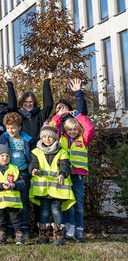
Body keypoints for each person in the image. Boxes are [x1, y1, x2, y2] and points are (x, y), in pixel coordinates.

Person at [52, 101, 94, 243]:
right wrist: (59, 115)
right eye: (69, 129)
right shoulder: (60, 139)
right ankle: (63, 230)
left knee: (78, 204)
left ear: (79, 129)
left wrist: (77, 115)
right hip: (64, 175)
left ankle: (79, 230)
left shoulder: (84, 139)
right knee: (64, 203)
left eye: (75, 129)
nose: (72, 132)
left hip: (78, 176)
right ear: (65, 130)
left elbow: (90, 127)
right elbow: (52, 127)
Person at [29, 124, 74, 246]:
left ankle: (58, 237)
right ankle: (43, 236)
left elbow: (65, 165)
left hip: (57, 189)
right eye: (44, 136)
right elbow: (33, 164)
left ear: (55, 138)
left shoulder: (62, 151)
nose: (47, 139)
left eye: (50, 137)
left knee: (56, 211)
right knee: (44, 212)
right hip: (42, 189)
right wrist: (33, 170)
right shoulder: (36, 151)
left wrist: (62, 174)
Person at [0, 112, 34, 235]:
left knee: (24, 200)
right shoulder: (3, 139)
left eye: (13, 127)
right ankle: (11, 228)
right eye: (8, 128)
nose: (11, 130)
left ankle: (24, 227)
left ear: (19, 127)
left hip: (23, 173)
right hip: (9, 173)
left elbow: (31, 156)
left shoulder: (26, 139)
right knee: (10, 201)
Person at [0, 144, 25, 245]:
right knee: (1, 220)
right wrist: (1, 186)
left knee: (15, 219)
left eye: (7, 156)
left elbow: (22, 183)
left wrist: (14, 185)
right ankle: (1, 235)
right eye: (2, 156)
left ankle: (19, 236)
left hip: (13, 201)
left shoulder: (14, 168)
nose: (5, 158)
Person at [7, 72, 54, 143]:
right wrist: (10, 85)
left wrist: (46, 83)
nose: (28, 104)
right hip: (22, 148)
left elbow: (48, 105)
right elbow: (11, 106)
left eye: (31, 102)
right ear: (21, 103)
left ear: (34, 102)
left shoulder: (40, 115)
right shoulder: (17, 115)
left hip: (37, 149)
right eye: (25, 102)